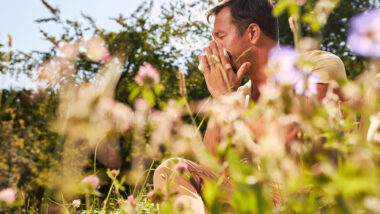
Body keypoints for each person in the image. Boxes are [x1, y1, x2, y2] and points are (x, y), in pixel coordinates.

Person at [153, 0, 346, 213]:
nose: (213, 49)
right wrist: (221, 100)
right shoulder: (238, 95)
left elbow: (295, 149)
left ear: (253, 32)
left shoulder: (315, 66)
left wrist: (227, 100)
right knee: (171, 171)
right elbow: (211, 169)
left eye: (220, 37)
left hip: (308, 197)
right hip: (256, 199)